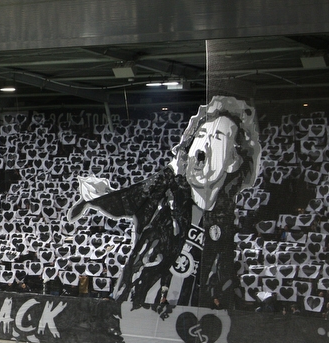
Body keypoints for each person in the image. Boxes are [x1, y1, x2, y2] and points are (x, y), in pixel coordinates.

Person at [68, 96, 261, 311]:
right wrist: (95, 197)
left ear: (233, 160)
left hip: (188, 328)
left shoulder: (224, 223)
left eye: (217, 137)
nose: (204, 145)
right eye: (201, 135)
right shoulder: (162, 196)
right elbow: (128, 199)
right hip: (134, 318)